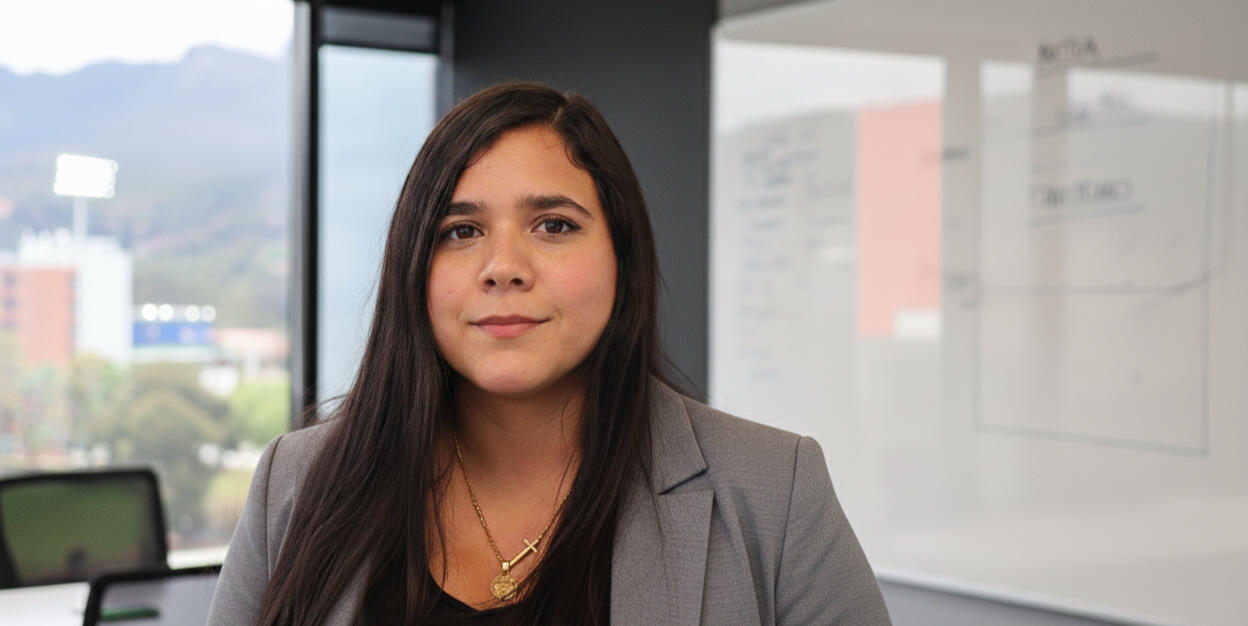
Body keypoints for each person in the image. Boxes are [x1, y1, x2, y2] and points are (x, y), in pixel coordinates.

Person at [207, 83, 891, 625]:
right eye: (461, 230)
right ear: (414, 266)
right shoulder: (293, 484)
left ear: (622, 257)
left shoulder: (773, 490)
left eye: (554, 225)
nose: (503, 267)